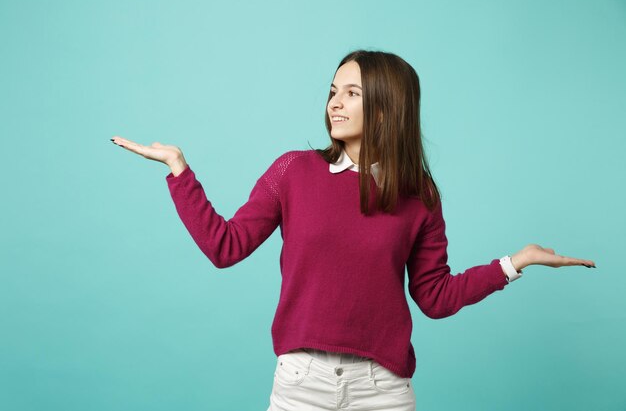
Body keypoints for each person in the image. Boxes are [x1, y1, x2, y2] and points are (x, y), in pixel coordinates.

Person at [110, 49, 596, 411]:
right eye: (332, 91)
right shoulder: (293, 172)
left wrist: (515, 263)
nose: (334, 103)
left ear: (384, 109)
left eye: (351, 93)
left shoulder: (419, 195)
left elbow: (434, 296)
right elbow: (225, 246)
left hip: (383, 390)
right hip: (301, 384)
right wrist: (178, 169)